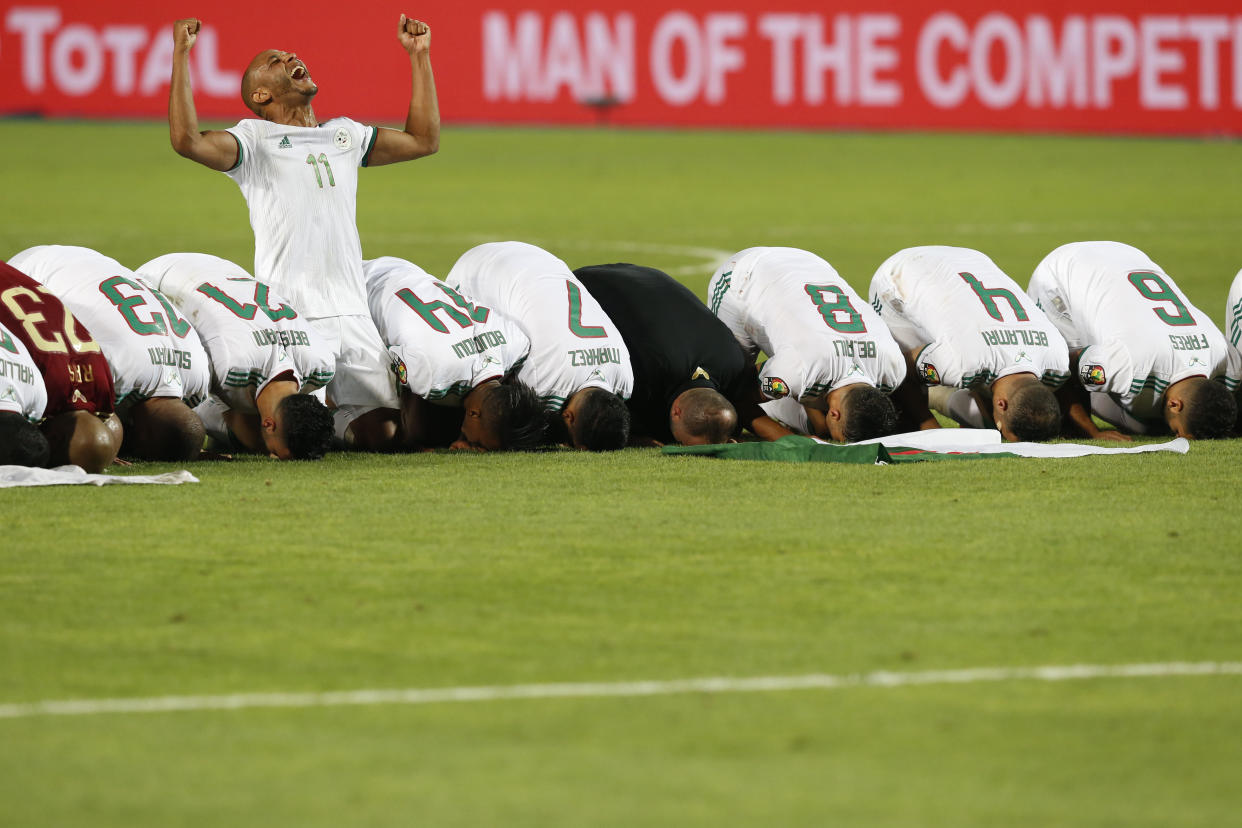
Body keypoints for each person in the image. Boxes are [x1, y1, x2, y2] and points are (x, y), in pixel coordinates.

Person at [167, 15, 439, 450]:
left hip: (352, 312)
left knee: (386, 435)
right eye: (275, 61)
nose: (290, 57)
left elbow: (424, 140)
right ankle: (215, 412)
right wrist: (181, 56)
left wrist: (419, 56)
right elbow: (187, 140)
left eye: (290, 55)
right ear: (262, 94)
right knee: (284, 436)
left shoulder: (344, 135)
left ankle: (318, 417)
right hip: (293, 316)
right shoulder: (253, 141)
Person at [9, 246, 208, 461]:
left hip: (99, 263)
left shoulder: (200, 378)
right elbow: (71, 421)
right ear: (142, 435)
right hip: (34, 269)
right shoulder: (113, 370)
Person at [137, 253, 336, 459]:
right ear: (268, 424)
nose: (272, 455)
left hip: (223, 269)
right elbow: (170, 418)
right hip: (161, 278)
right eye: (276, 452)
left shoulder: (322, 364)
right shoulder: (233, 370)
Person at [1029, 241, 1235, 440]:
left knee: (1145, 419)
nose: (1175, 435)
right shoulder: (1126, 364)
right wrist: (1092, 432)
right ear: (1175, 404)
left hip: (1130, 256)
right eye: (1177, 432)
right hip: (1062, 274)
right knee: (1066, 393)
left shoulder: (1224, 355)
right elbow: (1064, 367)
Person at [869, 245, 1070, 442]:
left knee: (977, 375)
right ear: (1001, 404)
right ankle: (934, 398)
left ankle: (944, 393)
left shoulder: (1058, 362)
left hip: (973, 259)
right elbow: (900, 365)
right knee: (902, 394)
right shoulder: (962, 364)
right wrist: (932, 431)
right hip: (900, 275)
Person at [446, 241, 633, 450]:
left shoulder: (625, 379)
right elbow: (494, 404)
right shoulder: (543, 382)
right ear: (568, 417)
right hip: (478, 273)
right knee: (467, 365)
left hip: (540, 259)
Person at [708, 246, 903, 442]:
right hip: (746, 275)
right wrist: (789, 440)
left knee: (819, 425)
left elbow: (816, 369)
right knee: (723, 402)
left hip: (812, 265)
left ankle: (777, 400)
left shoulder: (893, 368)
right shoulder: (798, 368)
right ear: (834, 414)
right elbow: (734, 394)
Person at [364, 256, 545, 451]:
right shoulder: (433, 375)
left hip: (406, 271)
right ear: (474, 413)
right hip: (359, 289)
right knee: (381, 432)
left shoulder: (517, 343)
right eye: (478, 443)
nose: (475, 448)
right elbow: (412, 430)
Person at [573, 263, 763, 445]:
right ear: (677, 412)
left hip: (642, 274)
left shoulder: (734, 362)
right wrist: (633, 437)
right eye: (681, 441)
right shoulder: (643, 376)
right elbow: (602, 414)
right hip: (583, 284)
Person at [0, 260, 120, 472]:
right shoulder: (43, 391)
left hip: (20, 286)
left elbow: (108, 424)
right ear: (54, 440)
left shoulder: (103, 386)